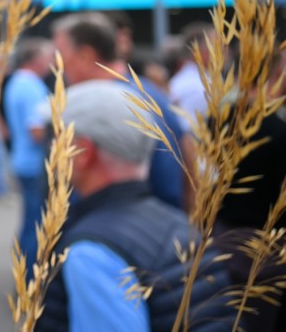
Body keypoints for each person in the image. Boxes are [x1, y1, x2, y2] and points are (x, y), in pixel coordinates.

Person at [35, 80, 235, 332]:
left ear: (84, 152)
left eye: (57, 138)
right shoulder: (178, 224)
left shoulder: (93, 250)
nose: (51, 148)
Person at [53, 12, 189, 209]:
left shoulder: (112, 104)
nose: (57, 67)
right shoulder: (147, 92)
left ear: (84, 56)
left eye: (60, 56)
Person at [212, 49, 286, 332]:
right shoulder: (277, 127)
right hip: (265, 247)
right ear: (276, 73)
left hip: (221, 236)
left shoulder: (220, 116)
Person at [2, 37, 54, 274]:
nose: (51, 64)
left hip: (22, 160)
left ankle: (23, 272)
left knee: (29, 222)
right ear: (36, 60)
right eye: (48, 58)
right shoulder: (31, 86)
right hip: (33, 164)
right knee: (36, 224)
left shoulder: (16, 82)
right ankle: (30, 276)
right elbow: (36, 130)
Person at [168, 22, 216, 124]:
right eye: (215, 46)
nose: (224, 50)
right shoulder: (199, 86)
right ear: (197, 51)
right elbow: (190, 129)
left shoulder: (184, 79)